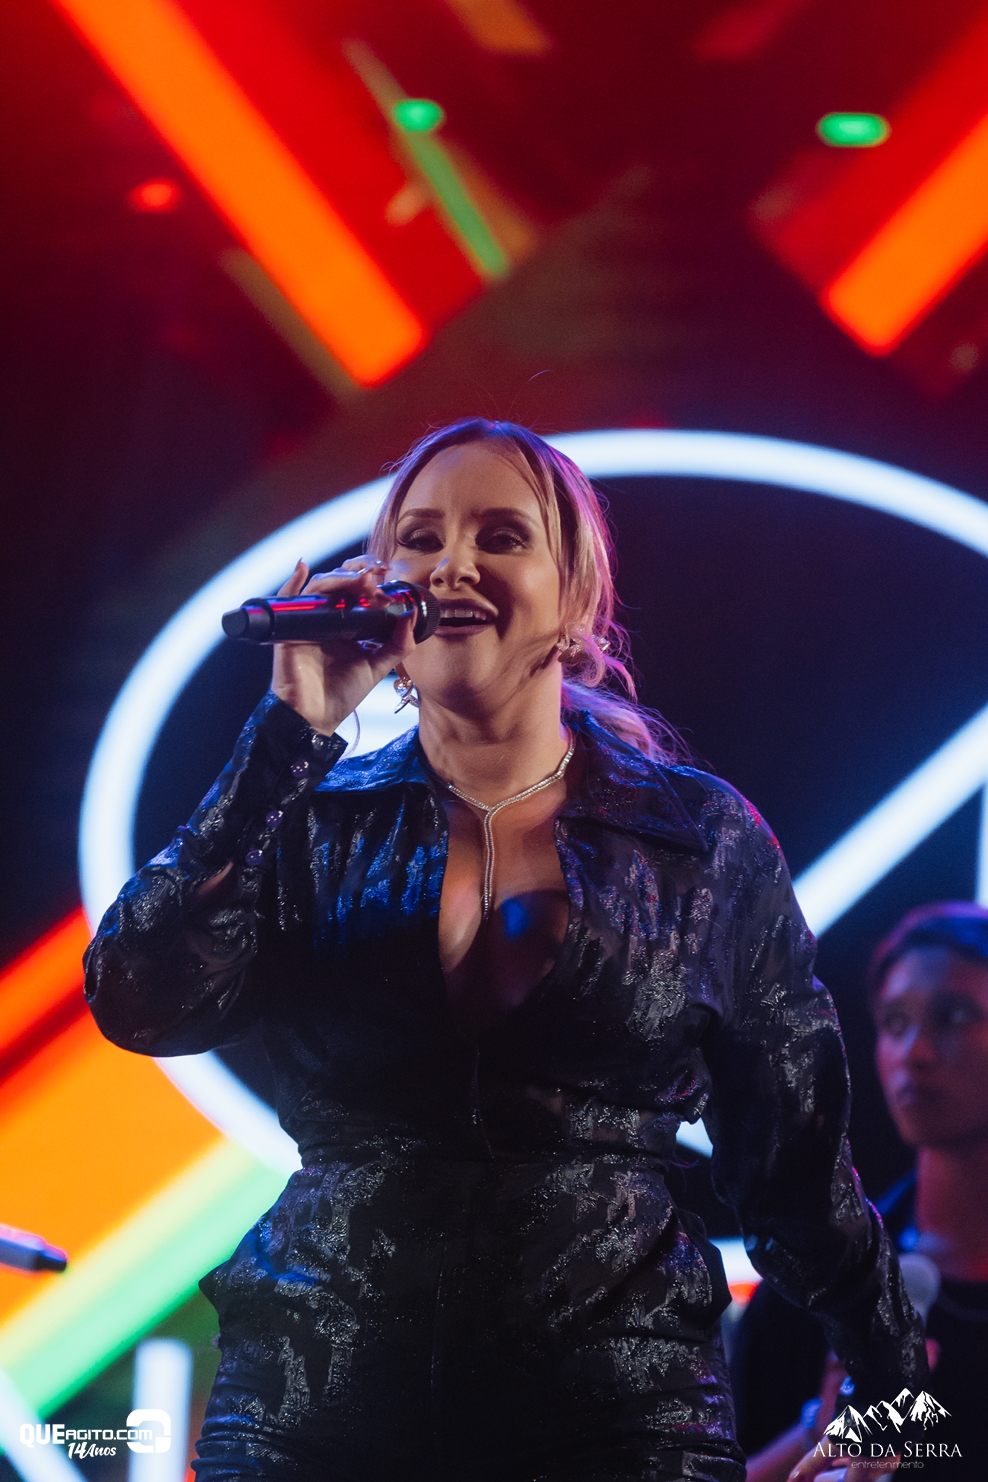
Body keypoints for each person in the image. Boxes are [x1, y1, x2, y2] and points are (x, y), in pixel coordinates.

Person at [84, 419, 925, 1482]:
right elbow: (140, 999)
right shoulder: (308, 818)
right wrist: (286, 737)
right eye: (422, 539)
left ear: (575, 596)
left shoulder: (699, 840)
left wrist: (899, 1406)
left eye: (500, 536)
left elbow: (794, 1159)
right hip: (317, 1406)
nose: (452, 565)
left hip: (617, 1416)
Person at [731, 901, 988, 1481]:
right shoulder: (817, 1277)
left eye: (952, 1016)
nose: (913, 1053)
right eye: (894, 1023)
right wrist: (818, 1433)